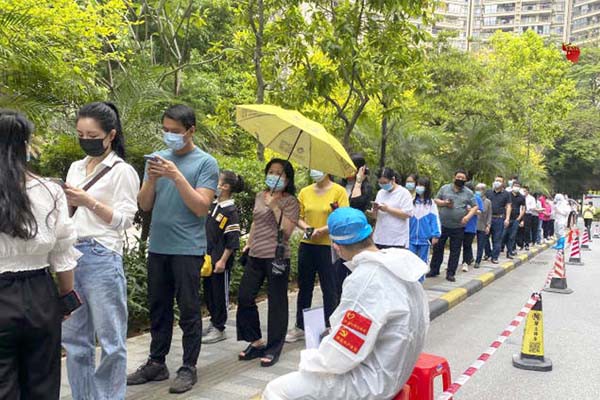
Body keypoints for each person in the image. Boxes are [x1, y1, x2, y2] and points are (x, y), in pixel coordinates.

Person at [262, 207, 429, 400]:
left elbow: (342, 353)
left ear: (336, 246)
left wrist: (309, 361)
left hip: (370, 383)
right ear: (370, 233)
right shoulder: (401, 267)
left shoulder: (366, 279)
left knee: (277, 389)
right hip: (393, 370)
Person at [128, 105, 219, 394]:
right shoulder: (156, 159)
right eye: (165, 131)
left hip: (188, 249)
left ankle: (188, 367)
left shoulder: (206, 163)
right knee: (159, 307)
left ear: (191, 130)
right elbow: (144, 205)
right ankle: (157, 362)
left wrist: (176, 176)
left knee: (190, 310)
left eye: (175, 132)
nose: (169, 137)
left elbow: (201, 207)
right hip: (158, 246)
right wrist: (153, 178)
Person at [61, 102, 140, 400]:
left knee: (111, 340)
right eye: (80, 133)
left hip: (101, 255)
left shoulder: (123, 171)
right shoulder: (76, 167)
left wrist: (88, 201)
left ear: (110, 135)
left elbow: (124, 220)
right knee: (74, 341)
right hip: (70, 256)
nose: (85, 139)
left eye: (92, 134)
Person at [0, 110, 79, 400]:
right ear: (25, 145)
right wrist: (66, 297)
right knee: (43, 384)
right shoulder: (50, 190)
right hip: (40, 295)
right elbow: (63, 252)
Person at [237, 159, 300, 368]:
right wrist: (249, 243)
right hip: (256, 254)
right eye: (271, 172)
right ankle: (255, 342)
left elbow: (288, 231)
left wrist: (275, 207)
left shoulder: (291, 201)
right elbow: (256, 221)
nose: (274, 176)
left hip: (277, 257)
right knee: (245, 297)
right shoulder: (259, 196)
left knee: (277, 303)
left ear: (287, 179)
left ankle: (274, 348)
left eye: (279, 173)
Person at [286, 170, 349, 343]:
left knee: (329, 287)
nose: (315, 170)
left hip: (328, 246)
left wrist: (321, 230)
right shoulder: (305, 191)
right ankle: (300, 326)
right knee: (304, 286)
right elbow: (297, 216)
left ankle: (331, 325)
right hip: (307, 245)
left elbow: (342, 217)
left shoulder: (339, 191)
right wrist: (307, 228)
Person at [201, 171, 243, 344]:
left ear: (225, 187)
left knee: (219, 293)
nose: (214, 183)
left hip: (220, 261)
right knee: (209, 292)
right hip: (208, 259)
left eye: (217, 181)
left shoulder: (230, 211)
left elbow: (232, 240)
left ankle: (220, 327)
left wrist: (223, 260)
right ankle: (213, 321)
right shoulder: (214, 205)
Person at [427, 169, 478, 282]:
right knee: (438, 248)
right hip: (442, 224)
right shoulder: (445, 188)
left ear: (466, 180)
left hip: (458, 226)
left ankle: (451, 273)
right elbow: (435, 200)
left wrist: (467, 217)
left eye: (462, 178)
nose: (460, 179)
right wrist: (444, 203)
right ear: (454, 177)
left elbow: (475, 206)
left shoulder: (468, 192)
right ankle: (434, 269)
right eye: (458, 177)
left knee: (455, 250)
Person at [370, 167, 414, 249]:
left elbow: (407, 214)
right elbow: (375, 217)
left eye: (385, 182)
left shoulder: (404, 193)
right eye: (380, 183)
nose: (383, 185)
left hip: (397, 239)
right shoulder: (380, 193)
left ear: (393, 179)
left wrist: (387, 209)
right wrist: (374, 211)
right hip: (379, 238)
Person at [409, 177, 440, 266]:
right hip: (411, 238)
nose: (419, 187)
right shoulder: (411, 202)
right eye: (417, 185)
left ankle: (420, 280)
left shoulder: (431, 204)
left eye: (421, 185)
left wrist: (436, 235)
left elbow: (435, 220)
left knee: (422, 263)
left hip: (425, 240)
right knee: (410, 262)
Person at [485, 176, 512, 264]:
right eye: (496, 180)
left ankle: (495, 257)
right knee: (485, 237)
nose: (497, 182)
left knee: (497, 239)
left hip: (499, 219)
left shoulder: (506, 194)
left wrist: (507, 218)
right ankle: (488, 253)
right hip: (488, 218)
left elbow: (508, 206)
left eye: (499, 181)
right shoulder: (488, 192)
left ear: (503, 183)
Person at [461, 182, 483, 272]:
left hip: (470, 226)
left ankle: (465, 262)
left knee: (467, 244)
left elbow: (480, 212)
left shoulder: (476, 199)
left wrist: (472, 210)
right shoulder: (461, 197)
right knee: (458, 245)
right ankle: (457, 262)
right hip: (459, 224)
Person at [502, 181, 525, 259]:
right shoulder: (507, 195)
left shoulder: (522, 197)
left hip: (516, 219)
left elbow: (523, 208)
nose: (516, 187)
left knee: (512, 236)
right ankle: (500, 249)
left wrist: (519, 218)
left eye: (518, 186)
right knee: (503, 235)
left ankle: (509, 251)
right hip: (506, 218)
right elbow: (504, 205)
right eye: (515, 185)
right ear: (512, 186)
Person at [474, 183, 492, 269]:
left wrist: (488, 225)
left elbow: (489, 215)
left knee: (481, 244)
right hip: (472, 225)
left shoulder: (488, 202)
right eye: (477, 189)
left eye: (480, 189)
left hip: (482, 225)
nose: (479, 191)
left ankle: (478, 260)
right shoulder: (473, 199)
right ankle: (467, 259)